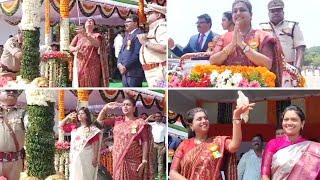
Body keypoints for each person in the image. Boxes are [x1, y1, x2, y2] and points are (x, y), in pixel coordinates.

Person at [180, 0, 283, 86]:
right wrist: (231, 45)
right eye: (235, 11)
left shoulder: (263, 36)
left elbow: (268, 64)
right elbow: (213, 60)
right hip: (227, 85)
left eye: (242, 10)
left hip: (256, 85)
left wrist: (243, 45)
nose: (238, 13)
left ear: (251, 15)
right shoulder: (224, 37)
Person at [169, 103, 255, 179]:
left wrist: (236, 117)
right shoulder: (184, 145)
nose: (204, 121)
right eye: (199, 119)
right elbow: (173, 173)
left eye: (205, 118)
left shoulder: (217, 141)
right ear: (191, 126)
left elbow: (234, 146)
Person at [97, 98, 154, 180]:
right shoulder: (117, 120)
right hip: (118, 157)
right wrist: (105, 108)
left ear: (134, 108)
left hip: (133, 159)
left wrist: (144, 160)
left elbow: (145, 141)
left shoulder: (139, 122)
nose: (125, 106)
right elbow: (98, 124)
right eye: (123, 105)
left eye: (128, 104)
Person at [261, 105, 320, 179]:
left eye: (294, 119)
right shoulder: (273, 144)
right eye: (286, 119)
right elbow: (265, 174)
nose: (289, 123)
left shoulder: (313, 149)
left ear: (302, 123)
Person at [260, 0, 306, 70]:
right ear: (268, 14)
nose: (275, 13)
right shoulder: (261, 28)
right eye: (272, 11)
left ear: (283, 12)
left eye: (278, 10)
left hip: (288, 67)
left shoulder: (292, 26)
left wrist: (297, 67)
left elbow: (300, 48)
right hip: (267, 67)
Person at [60, 107, 102, 180]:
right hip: (75, 156)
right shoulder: (74, 127)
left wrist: (95, 157)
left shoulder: (92, 129)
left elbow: (95, 143)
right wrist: (67, 117)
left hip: (87, 156)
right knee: (75, 175)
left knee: (85, 176)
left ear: (87, 115)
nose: (79, 115)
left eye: (82, 113)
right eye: (78, 114)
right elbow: (60, 125)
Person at [70, 18, 109, 87]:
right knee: (80, 82)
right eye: (87, 21)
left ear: (94, 26)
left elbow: (97, 44)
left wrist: (86, 35)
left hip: (93, 64)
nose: (89, 21)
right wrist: (75, 50)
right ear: (85, 25)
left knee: (93, 83)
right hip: (80, 63)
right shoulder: (78, 36)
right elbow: (70, 47)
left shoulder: (97, 35)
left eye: (91, 21)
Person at [138, 3, 167, 87]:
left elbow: (164, 48)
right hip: (152, 71)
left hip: (159, 71)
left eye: (150, 13)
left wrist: (145, 42)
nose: (146, 15)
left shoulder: (162, 27)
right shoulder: (155, 28)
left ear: (158, 15)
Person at [0, 90, 25, 180]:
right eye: (7, 90)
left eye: (14, 91)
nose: (11, 92)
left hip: (15, 163)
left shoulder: (23, 113)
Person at [117, 14, 145, 87]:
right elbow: (121, 52)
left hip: (134, 72)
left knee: (134, 94)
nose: (125, 24)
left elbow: (137, 53)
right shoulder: (127, 35)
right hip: (124, 72)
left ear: (135, 23)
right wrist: (119, 64)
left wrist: (126, 66)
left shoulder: (139, 34)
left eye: (128, 22)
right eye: (125, 22)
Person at [146, 112, 166, 180]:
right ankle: (153, 177)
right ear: (154, 117)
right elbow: (143, 123)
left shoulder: (164, 126)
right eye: (156, 116)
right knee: (153, 161)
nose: (158, 117)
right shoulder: (152, 124)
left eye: (159, 116)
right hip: (153, 144)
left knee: (160, 162)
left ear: (161, 117)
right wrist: (149, 117)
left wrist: (165, 147)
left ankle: (160, 177)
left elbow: (165, 136)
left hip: (161, 145)